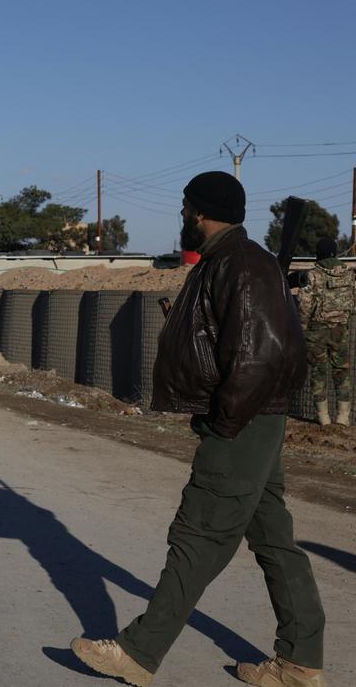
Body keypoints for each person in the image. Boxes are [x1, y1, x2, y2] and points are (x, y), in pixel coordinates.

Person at [71, 171, 326, 687]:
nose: (182, 217)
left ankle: (138, 652)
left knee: (198, 533)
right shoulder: (230, 262)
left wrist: (223, 422)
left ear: (200, 212)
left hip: (241, 421)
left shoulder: (242, 263)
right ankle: (299, 662)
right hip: (250, 418)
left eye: (186, 208)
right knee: (273, 537)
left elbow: (262, 355)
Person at [300, 237, 353, 426]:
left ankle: (323, 418)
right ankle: (343, 418)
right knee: (342, 371)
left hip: (317, 330)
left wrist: (303, 326)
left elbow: (305, 303)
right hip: (341, 329)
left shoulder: (313, 274)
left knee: (318, 371)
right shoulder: (348, 274)